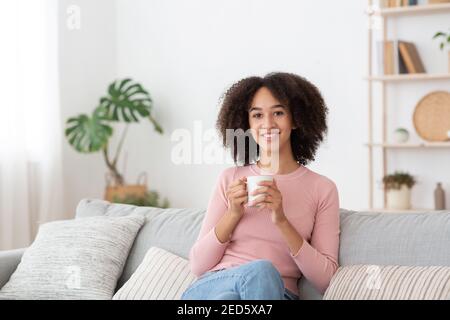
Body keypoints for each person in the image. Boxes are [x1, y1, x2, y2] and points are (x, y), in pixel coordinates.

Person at [181, 72, 340, 300]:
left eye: (278, 113)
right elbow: (197, 265)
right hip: (214, 287)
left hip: (278, 294)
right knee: (232, 293)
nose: (267, 124)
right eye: (257, 115)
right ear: (247, 123)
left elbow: (326, 280)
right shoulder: (230, 178)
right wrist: (233, 214)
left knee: (258, 276)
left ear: (296, 119)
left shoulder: (322, 189)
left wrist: (282, 221)